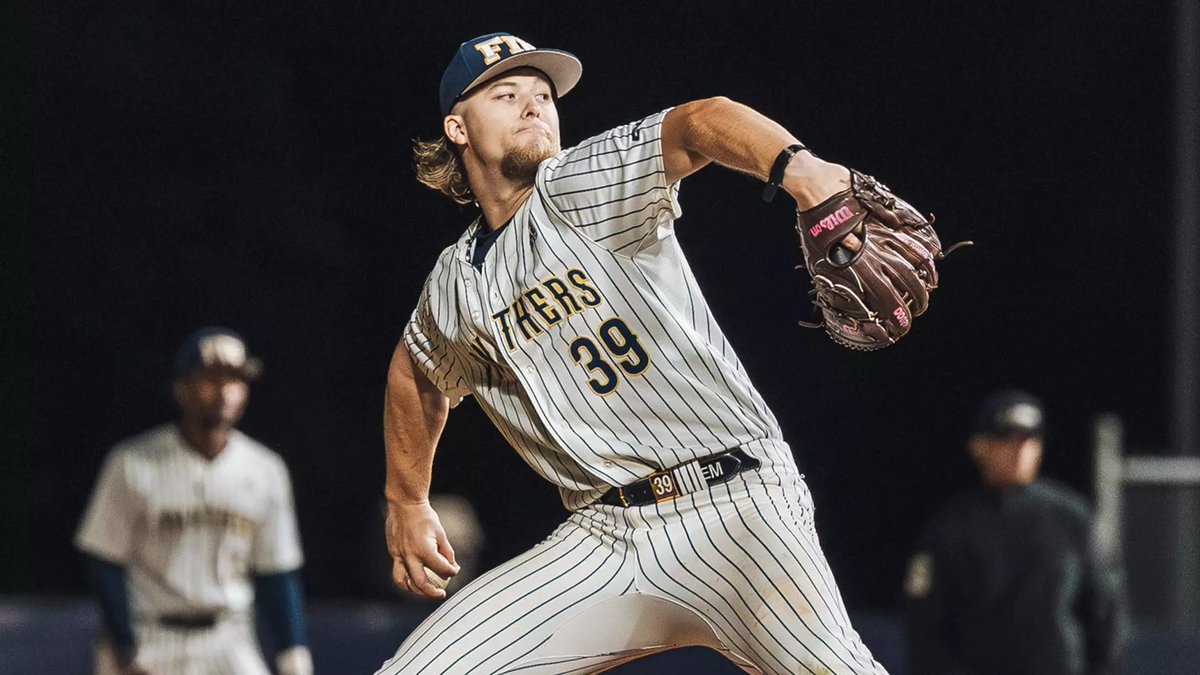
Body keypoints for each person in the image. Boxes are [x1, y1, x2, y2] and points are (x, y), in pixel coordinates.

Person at [379, 31, 892, 674]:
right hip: (606, 539)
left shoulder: (576, 186)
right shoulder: (454, 281)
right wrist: (408, 500)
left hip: (739, 511)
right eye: (506, 95)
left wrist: (802, 171)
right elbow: (416, 371)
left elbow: (700, 120)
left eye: (543, 95)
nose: (534, 105)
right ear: (457, 127)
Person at [75, 327, 313, 675]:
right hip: (150, 634)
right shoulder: (131, 461)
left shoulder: (265, 469)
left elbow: (276, 571)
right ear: (181, 388)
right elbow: (105, 561)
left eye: (234, 380)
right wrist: (125, 646)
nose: (224, 391)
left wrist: (293, 654)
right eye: (211, 378)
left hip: (229, 638)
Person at [904, 390, 1129, 675]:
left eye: (1029, 440)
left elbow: (1107, 614)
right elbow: (925, 629)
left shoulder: (1071, 517)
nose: (1020, 451)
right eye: (1006, 440)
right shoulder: (951, 526)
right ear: (979, 447)